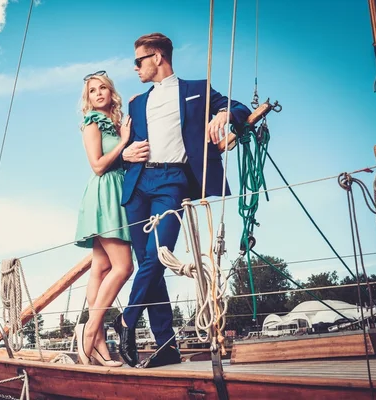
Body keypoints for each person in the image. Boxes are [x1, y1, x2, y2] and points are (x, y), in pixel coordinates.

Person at [113, 33, 252, 368]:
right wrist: (126, 153)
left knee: (157, 256)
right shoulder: (136, 103)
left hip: (173, 182)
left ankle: (126, 320)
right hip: (138, 185)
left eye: (138, 61)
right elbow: (122, 151)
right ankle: (166, 347)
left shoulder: (197, 90)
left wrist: (225, 116)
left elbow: (241, 108)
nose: (135, 68)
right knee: (151, 266)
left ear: (157, 57)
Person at [74, 70, 134, 367]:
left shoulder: (114, 121)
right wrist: (123, 143)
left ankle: (96, 345)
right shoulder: (92, 123)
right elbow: (97, 165)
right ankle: (89, 332)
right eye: (92, 90)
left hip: (117, 190)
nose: (98, 93)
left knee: (101, 266)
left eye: (103, 88)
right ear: (88, 98)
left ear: (111, 92)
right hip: (104, 192)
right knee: (123, 267)